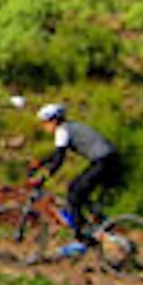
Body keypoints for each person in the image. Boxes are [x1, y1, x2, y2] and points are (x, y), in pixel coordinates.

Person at [29, 103, 122, 256]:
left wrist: (43, 178)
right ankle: (96, 227)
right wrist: (40, 163)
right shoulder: (68, 128)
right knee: (79, 193)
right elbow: (56, 154)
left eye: (44, 123)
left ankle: (82, 238)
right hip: (108, 160)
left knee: (73, 191)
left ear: (53, 121)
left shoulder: (62, 130)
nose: (43, 127)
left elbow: (59, 159)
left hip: (103, 161)